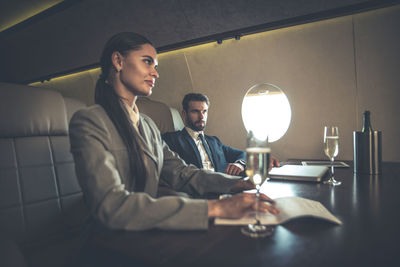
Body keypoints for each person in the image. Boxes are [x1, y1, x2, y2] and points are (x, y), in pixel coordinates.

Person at [69, 32, 279, 232]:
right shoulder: (90, 121)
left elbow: (182, 174)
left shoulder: (148, 126)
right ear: (118, 61)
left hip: (145, 231)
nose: (155, 73)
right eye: (147, 61)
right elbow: (111, 206)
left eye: (156, 65)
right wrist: (215, 208)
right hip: (109, 239)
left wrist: (239, 184)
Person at [162, 93, 279, 176]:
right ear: (184, 114)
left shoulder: (214, 141)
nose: (201, 116)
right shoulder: (172, 139)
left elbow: (241, 154)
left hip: (225, 189)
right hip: (198, 192)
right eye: (195, 111)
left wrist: (240, 164)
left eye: (204, 111)